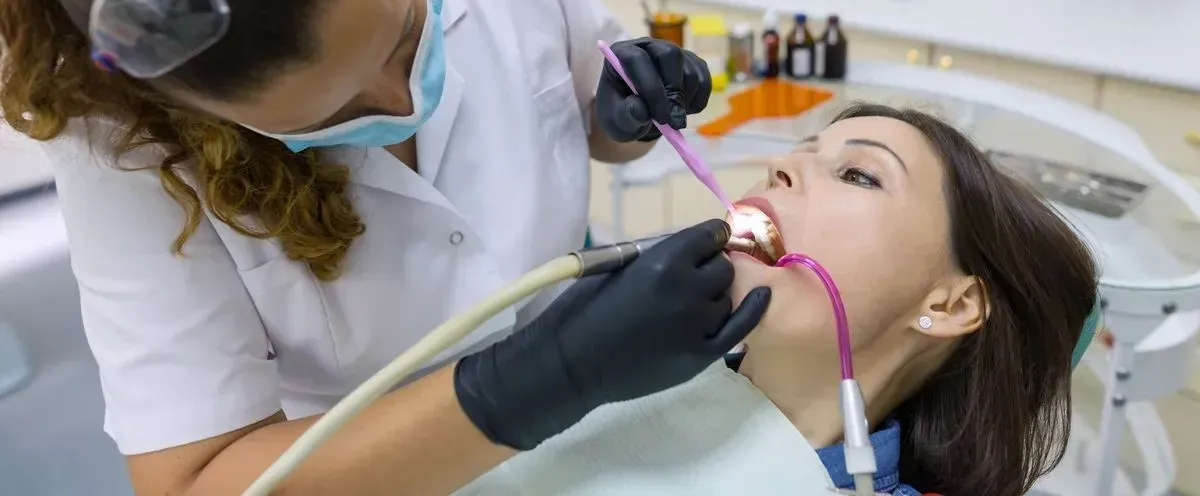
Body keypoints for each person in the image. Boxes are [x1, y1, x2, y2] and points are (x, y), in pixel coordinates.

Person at [0, 0, 771, 495]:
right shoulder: (125, 146)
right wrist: (541, 380)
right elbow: (196, 480)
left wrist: (620, 118)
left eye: (408, 36)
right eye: (332, 117)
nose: (399, 99)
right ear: (183, 104)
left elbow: (602, 135)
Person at [454, 104, 1101, 496]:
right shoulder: (627, 378)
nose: (780, 169)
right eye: (798, 155)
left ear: (953, 303)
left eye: (857, 174)